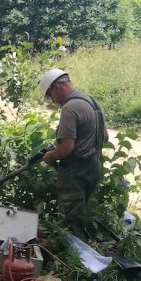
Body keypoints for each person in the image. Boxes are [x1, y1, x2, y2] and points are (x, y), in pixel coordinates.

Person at [38, 68, 108, 240]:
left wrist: (50, 157)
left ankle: (77, 259)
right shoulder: (92, 102)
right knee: (85, 214)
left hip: (75, 172)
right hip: (94, 167)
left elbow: (67, 147)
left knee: (72, 220)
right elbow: (104, 137)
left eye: (50, 96)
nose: (53, 101)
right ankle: (87, 250)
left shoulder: (70, 108)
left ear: (56, 87)